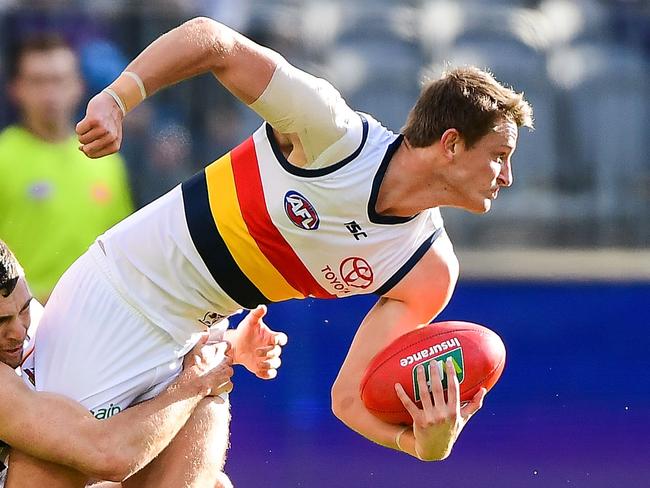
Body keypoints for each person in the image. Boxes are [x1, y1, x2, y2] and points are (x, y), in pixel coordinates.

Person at [10, 16, 533, 487]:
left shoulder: (428, 269)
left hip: (200, 336)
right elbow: (214, 41)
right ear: (450, 144)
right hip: (122, 295)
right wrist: (119, 98)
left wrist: (422, 445)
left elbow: (349, 400)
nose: (507, 176)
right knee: (63, 476)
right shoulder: (331, 134)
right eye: (498, 156)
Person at [0, 237, 236, 488]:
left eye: (24, 309)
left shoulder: (34, 321)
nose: (18, 331)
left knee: (207, 437)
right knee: (41, 463)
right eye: (1, 321)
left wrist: (235, 344)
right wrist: (194, 383)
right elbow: (109, 455)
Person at [0, 33, 133, 303]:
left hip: (96, 315)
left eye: (59, 81)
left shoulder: (107, 159)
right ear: (15, 88)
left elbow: (122, 247)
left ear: (77, 86)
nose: (50, 94)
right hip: (23, 326)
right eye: (38, 82)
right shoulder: (4, 156)